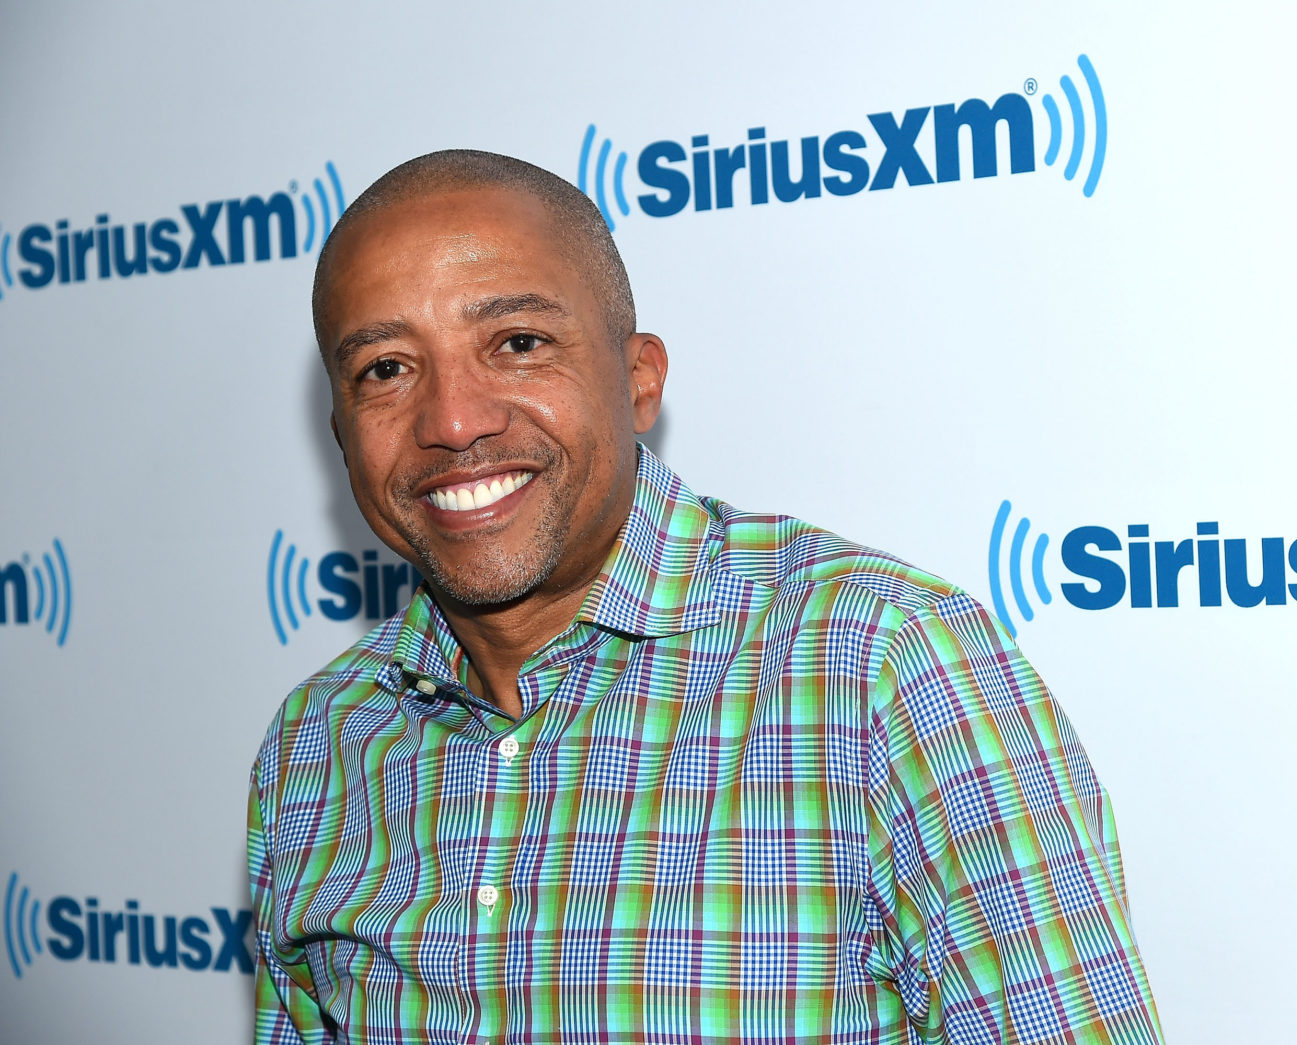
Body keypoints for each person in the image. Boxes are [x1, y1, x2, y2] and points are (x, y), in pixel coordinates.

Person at [249, 148, 1164, 1044]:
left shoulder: (881, 662)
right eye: (386, 368)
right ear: (341, 432)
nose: (453, 420)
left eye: (519, 344)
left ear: (639, 379)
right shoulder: (315, 742)